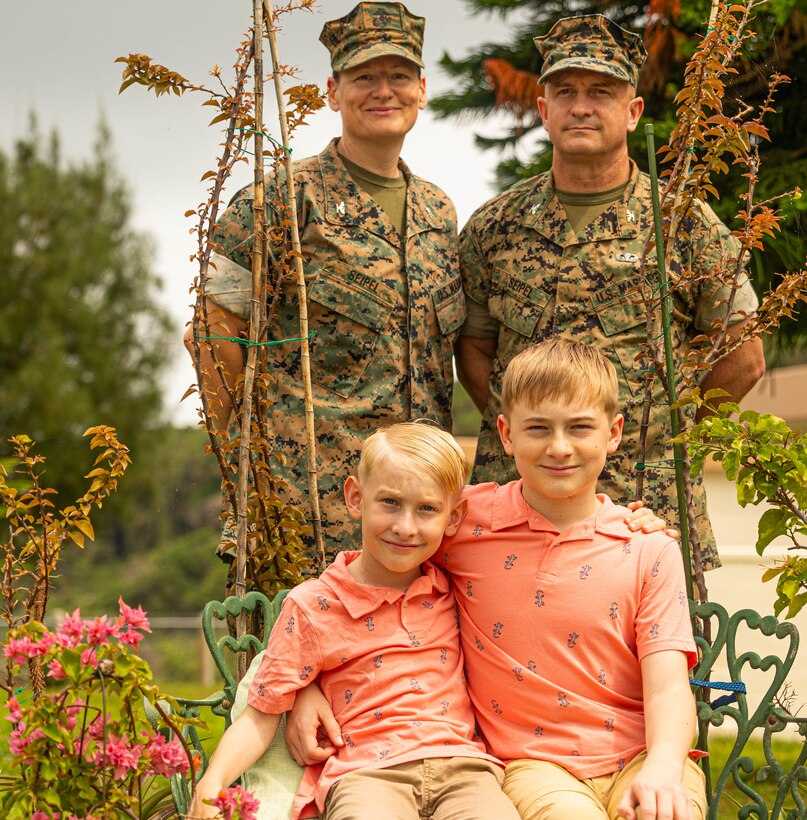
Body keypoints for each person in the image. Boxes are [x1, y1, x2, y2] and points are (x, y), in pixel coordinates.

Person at [288, 338, 707, 820]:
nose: (559, 447)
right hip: (535, 764)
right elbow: (358, 586)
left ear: (612, 433)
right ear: (506, 434)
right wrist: (305, 684)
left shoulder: (648, 548)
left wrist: (664, 764)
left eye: (579, 428)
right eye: (538, 429)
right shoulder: (459, 521)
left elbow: (669, 687)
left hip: (645, 757)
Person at [453, 14, 766, 571]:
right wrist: (529, 439)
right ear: (544, 110)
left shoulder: (682, 223)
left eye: (601, 92)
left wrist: (660, 435)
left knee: (657, 654)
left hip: (644, 508)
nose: (581, 107)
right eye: (565, 92)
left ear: (633, 111)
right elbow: (474, 349)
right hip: (516, 509)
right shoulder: (493, 227)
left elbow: (742, 356)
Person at [184, 2, 465, 574]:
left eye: (399, 76)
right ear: (333, 92)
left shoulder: (439, 213)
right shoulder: (279, 202)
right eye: (364, 77)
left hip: (418, 518)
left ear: (422, 89)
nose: (383, 91)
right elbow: (212, 337)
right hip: (309, 510)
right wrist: (250, 470)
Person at [187, 422, 522, 820]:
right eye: (390, 503)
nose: (405, 527)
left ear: (454, 517)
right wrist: (213, 781)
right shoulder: (314, 606)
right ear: (355, 498)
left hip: (464, 770)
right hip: (367, 775)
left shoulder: (454, 588)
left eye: (427, 509)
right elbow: (261, 713)